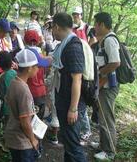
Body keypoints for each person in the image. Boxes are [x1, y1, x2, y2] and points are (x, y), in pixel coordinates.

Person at [52, 12, 87, 162]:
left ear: (57, 27)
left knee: (73, 145)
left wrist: (73, 109)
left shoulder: (73, 46)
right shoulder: (64, 45)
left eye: (52, 28)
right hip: (64, 100)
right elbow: (53, 60)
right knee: (67, 140)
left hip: (70, 104)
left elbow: (77, 79)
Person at [4, 49, 49, 162]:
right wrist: (33, 139)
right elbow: (25, 122)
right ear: (29, 68)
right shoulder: (23, 90)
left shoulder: (14, 82)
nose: (38, 69)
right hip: (22, 141)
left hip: (13, 137)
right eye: (36, 66)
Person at [93, 12, 120, 160]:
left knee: (106, 118)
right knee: (102, 116)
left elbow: (115, 63)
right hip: (104, 85)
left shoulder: (110, 40)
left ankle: (109, 152)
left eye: (96, 24)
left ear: (102, 25)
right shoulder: (105, 40)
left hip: (109, 86)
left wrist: (100, 73)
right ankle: (103, 145)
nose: (94, 27)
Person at [72, 6, 92, 145]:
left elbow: (94, 40)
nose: (76, 17)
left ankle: (86, 130)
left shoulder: (87, 27)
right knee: (77, 100)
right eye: (74, 14)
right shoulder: (73, 28)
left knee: (82, 103)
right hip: (76, 64)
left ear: (81, 15)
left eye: (77, 15)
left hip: (86, 66)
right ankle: (79, 128)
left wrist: (85, 49)